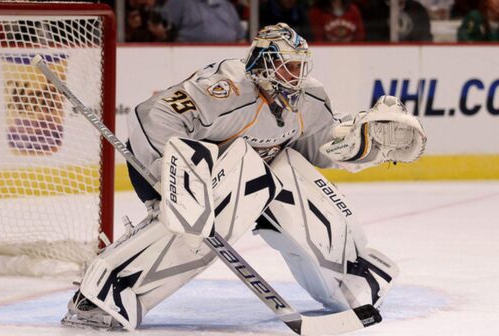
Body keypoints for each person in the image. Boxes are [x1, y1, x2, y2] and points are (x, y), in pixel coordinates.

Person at [61, 23, 426, 331]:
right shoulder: (226, 88)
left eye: (300, 67)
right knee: (236, 180)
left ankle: (346, 276)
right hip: (181, 172)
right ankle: (104, 291)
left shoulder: (309, 99)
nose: (295, 77)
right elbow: (151, 115)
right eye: (287, 68)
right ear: (265, 64)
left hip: (253, 178)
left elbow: (315, 147)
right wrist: (173, 175)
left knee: (289, 170)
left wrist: (361, 144)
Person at [162, 0, 246, 42]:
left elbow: (240, 38)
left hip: (227, 61)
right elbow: (164, 31)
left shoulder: (226, 5)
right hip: (189, 58)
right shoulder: (179, 2)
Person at [356, 0, 433, 41]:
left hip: (411, 59)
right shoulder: (373, 8)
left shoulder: (417, 9)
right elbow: (369, 39)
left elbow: (424, 39)